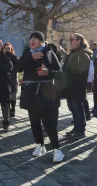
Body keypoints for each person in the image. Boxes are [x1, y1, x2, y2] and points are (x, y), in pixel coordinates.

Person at [16, 31, 64, 163]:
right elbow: (18, 68)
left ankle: (57, 149)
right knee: (34, 121)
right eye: (31, 38)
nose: (32, 41)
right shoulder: (27, 53)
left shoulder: (49, 52)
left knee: (49, 122)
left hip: (46, 92)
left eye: (36, 39)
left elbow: (60, 73)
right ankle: (40, 145)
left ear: (42, 41)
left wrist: (48, 72)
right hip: (31, 93)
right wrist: (31, 57)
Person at [63, 33, 92, 139]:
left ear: (79, 41)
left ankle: (81, 131)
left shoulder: (82, 54)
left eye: (72, 39)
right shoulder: (73, 53)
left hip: (77, 87)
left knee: (78, 109)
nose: (70, 41)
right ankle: (76, 128)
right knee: (73, 109)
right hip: (70, 86)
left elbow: (81, 73)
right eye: (70, 39)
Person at [3, 43, 19, 117]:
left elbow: (18, 67)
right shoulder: (2, 57)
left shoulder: (14, 57)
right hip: (5, 80)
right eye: (6, 48)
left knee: (13, 96)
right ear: (3, 49)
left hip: (13, 79)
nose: (7, 49)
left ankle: (13, 109)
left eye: (9, 48)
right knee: (7, 96)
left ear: (11, 49)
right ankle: (8, 109)